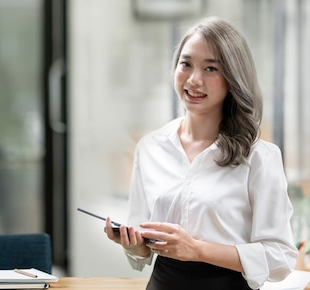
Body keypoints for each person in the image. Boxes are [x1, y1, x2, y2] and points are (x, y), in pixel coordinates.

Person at [103, 17, 297, 290]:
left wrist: (197, 249)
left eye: (210, 68)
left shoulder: (260, 157)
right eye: (186, 64)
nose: (194, 79)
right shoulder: (150, 148)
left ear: (233, 77)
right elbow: (142, 249)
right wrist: (132, 242)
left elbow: (280, 257)